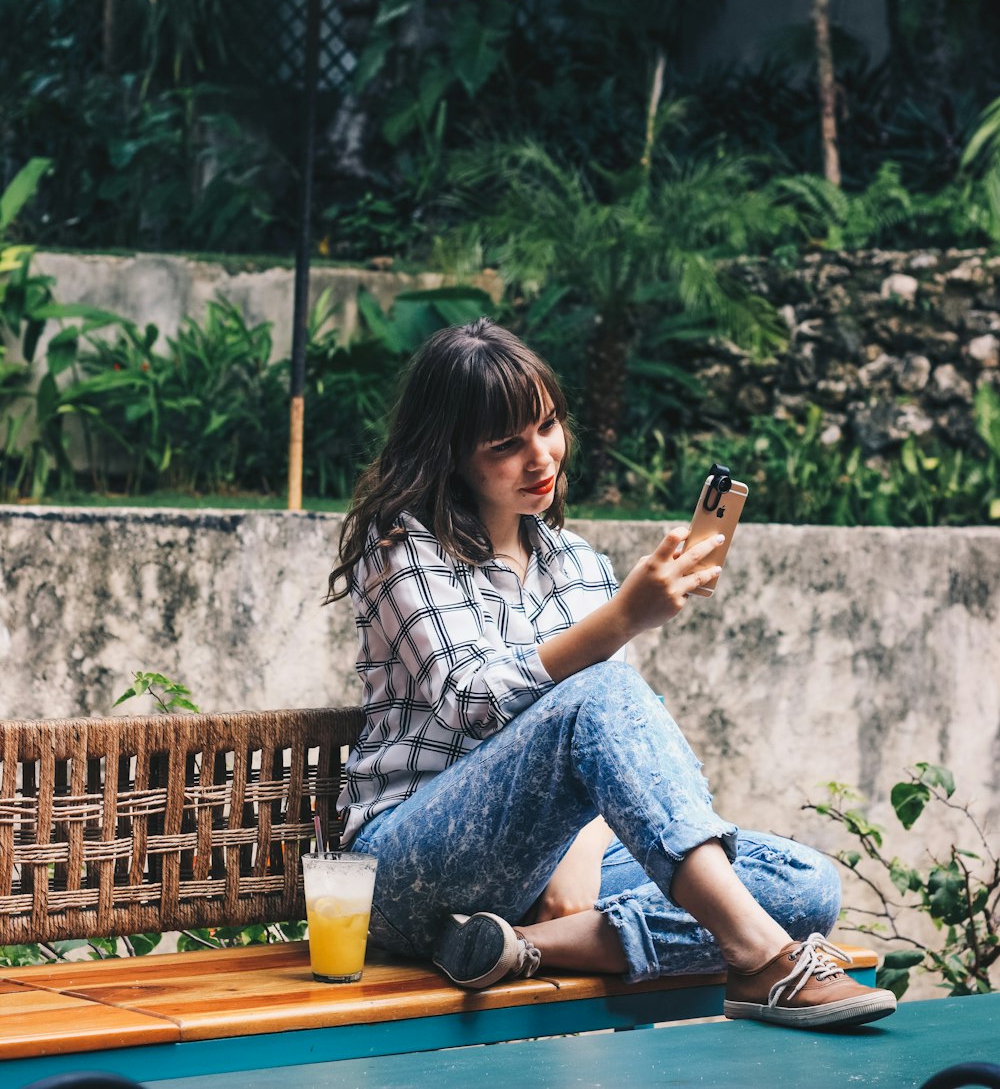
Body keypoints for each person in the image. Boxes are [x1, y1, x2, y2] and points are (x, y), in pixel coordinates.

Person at [328, 319, 895, 1030]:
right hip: (408, 869)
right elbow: (470, 699)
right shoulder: (402, 548)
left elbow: (610, 755)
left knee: (804, 886)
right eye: (505, 444)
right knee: (603, 688)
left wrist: (577, 868)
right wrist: (621, 619)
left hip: (533, 878)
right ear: (450, 455)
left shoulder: (579, 565)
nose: (541, 457)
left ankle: (514, 947)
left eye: (547, 425)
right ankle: (761, 961)